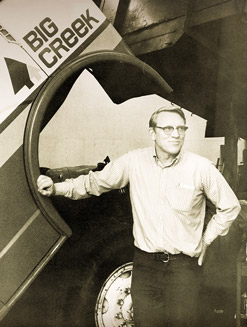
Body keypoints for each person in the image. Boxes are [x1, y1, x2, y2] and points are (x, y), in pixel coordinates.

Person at [37, 105, 241, 327]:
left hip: (183, 270)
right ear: (152, 133)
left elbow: (230, 206)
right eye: (168, 128)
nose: (176, 134)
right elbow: (94, 183)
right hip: (145, 268)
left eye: (181, 129)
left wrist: (206, 239)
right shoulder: (133, 162)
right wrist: (56, 188)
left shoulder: (200, 167)